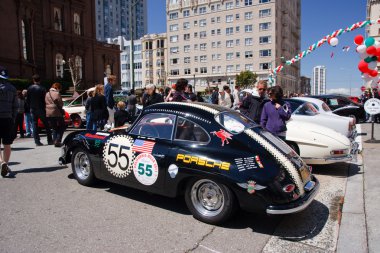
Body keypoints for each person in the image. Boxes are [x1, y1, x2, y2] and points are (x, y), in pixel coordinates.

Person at [0, 66, 18, 177]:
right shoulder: (12, 88)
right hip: (8, 118)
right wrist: (13, 117)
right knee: (7, 144)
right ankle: (5, 163)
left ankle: (1, 162)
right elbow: (15, 106)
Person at [27, 74, 53, 146]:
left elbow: (28, 99)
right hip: (41, 108)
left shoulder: (30, 88)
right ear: (40, 80)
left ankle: (37, 141)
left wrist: (30, 106)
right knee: (46, 124)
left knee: (34, 124)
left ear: (33, 80)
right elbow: (45, 99)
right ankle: (50, 140)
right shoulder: (42, 88)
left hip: (33, 108)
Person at [45, 83, 65, 147]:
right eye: (60, 88)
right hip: (56, 111)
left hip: (48, 112)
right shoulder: (57, 93)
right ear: (57, 88)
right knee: (62, 126)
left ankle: (54, 140)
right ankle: (58, 140)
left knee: (54, 127)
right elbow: (61, 103)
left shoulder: (47, 94)